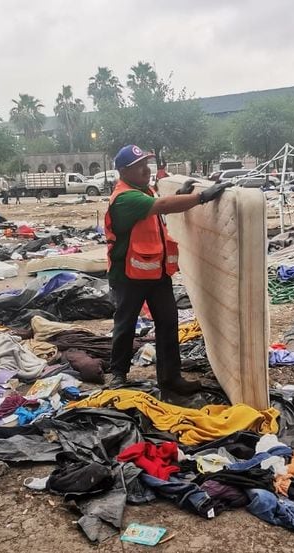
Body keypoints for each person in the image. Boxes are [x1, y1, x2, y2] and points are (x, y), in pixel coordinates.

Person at [105, 144, 233, 394]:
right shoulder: (125, 198)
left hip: (155, 271)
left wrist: (182, 194)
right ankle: (118, 375)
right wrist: (200, 197)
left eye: (146, 163)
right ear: (123, 171)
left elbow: (158, 202)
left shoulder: (143, 190)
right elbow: (162, 205)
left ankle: (170, 378)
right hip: (129, 275)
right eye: (138, 166)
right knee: (125, 324)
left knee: (167, 322)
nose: (145, 169)